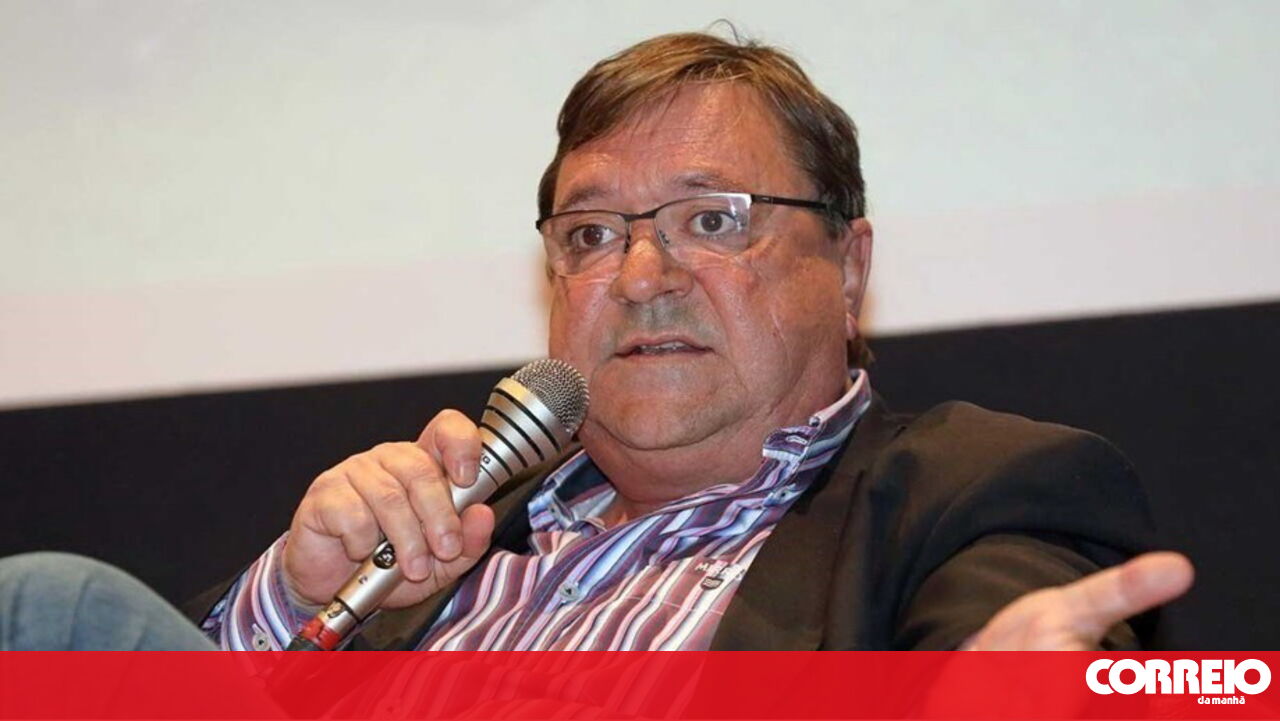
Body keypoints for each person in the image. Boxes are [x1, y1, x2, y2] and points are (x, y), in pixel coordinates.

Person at [0, 31, 1192, 652]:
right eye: (589, 234)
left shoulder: (968, 492)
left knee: (48, 606)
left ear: (847, 270)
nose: (640, 275)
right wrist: (291, 602)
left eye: (710, 220)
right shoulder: (448, 532)